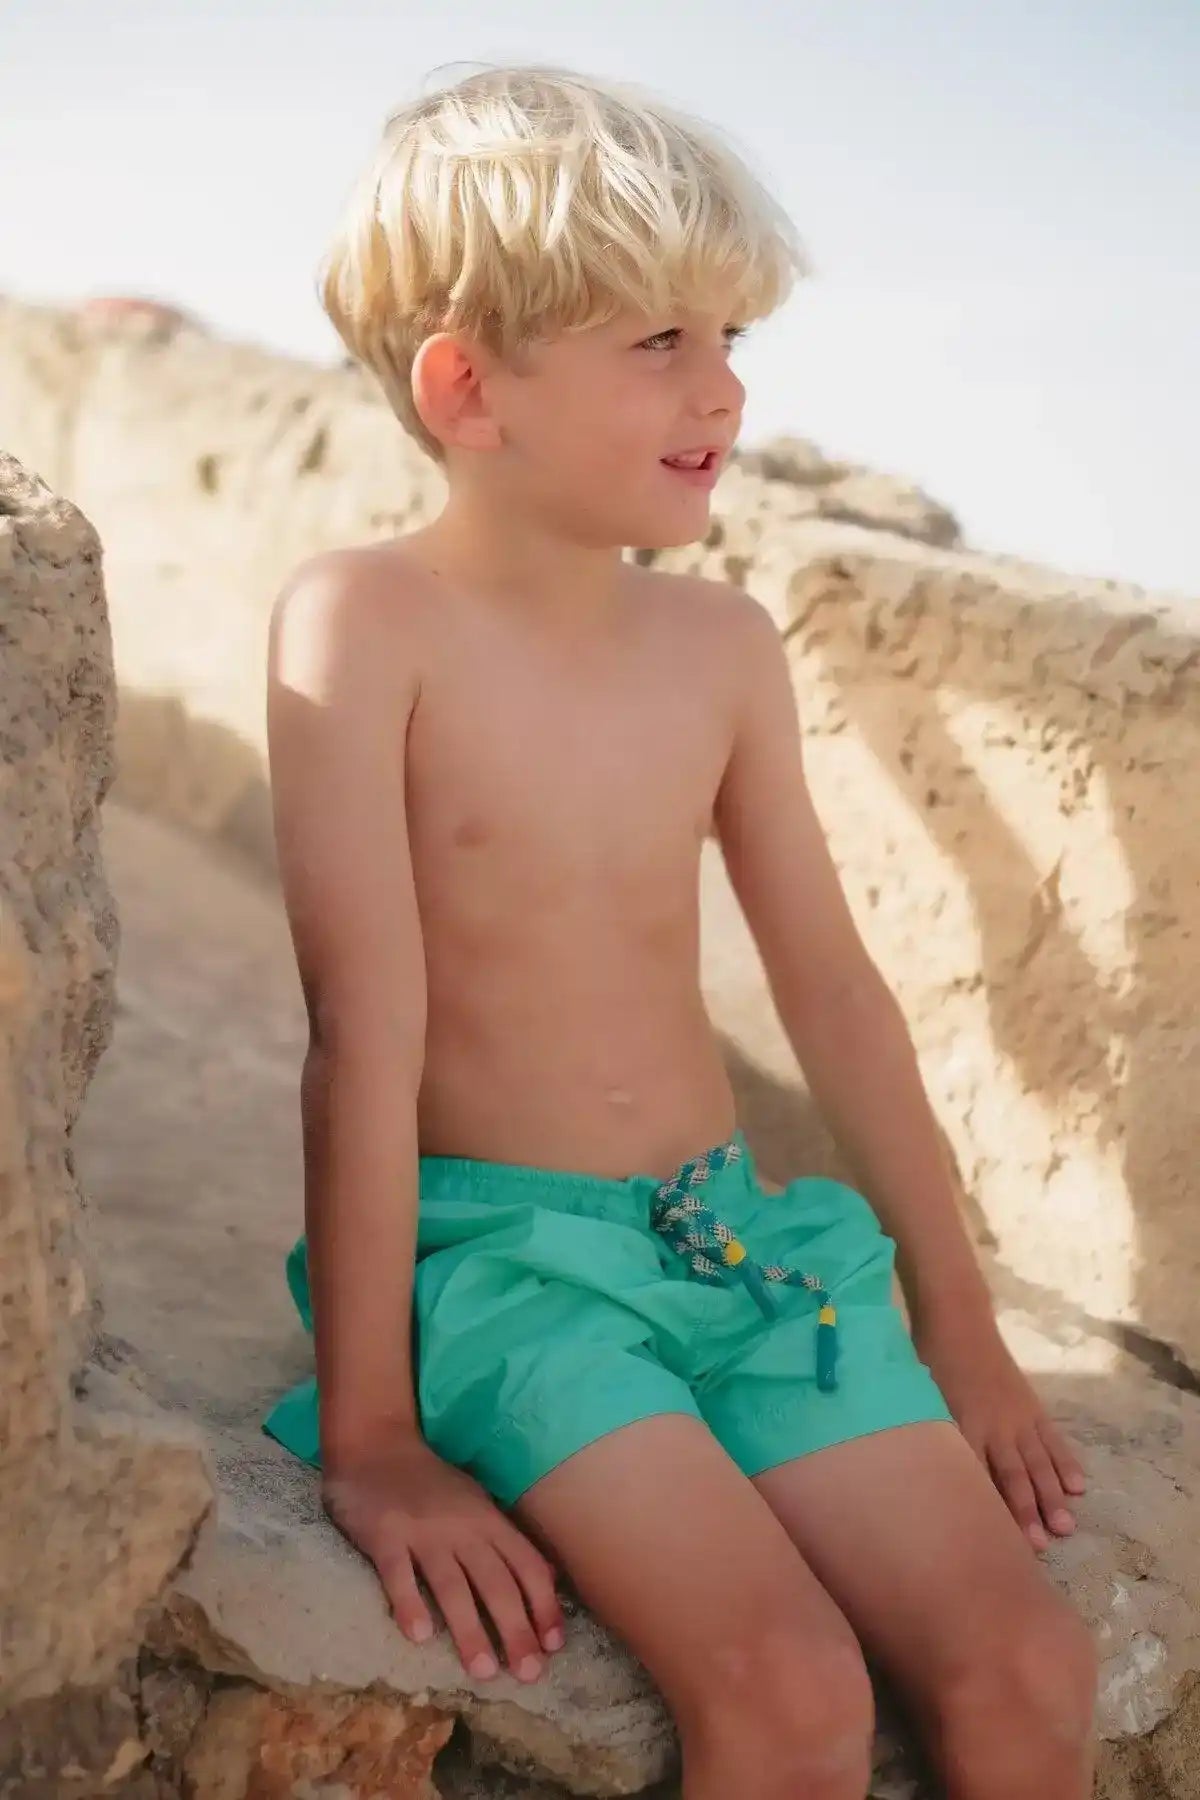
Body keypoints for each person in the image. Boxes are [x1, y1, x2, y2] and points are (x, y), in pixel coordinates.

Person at [260, 63, 1098, 1799]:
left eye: (729, 340)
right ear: (467, 384)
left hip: (742, 1253)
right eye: (661, 346)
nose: (724, 391)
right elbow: (366, 1035)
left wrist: (960, 1321)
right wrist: (375, 1438)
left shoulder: (718, 646)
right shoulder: (365, 625)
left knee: (1026, 1661)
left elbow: (835, 992)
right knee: (790, 1693)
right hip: (514, 1272)